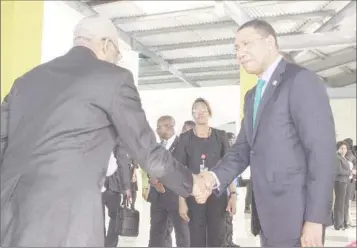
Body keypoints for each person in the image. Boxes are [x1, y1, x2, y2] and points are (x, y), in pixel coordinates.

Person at [0, 16, 207, 247]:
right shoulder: (114, 79)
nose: (115, 61)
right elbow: (147, 152)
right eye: (116, 55)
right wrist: (191, 182)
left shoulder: (25, 81)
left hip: (9, 214)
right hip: (65, 220)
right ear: (106, 44)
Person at [199, 19, 336, 247]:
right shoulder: (252, 95)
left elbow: (321, 153)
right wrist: (211, 178)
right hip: (267, 215)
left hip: (297, 217)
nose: (240, 53)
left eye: (246, 44)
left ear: (270, 42)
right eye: (236, 48)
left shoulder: (300, 80)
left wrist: (315, 219)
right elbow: (242, 150)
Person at [176, 98, 236, 247]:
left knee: (218, 236)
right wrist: (181, 201)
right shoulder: (185, 139)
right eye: (196, 110)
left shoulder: (220, 136)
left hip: (217, 194)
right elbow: (180, 171)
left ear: (209, 112)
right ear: (192, 114)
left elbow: (228, 167)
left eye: (203, 110)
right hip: (194, 196)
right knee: (196, 238)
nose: (200, 113)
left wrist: (233, 194)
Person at [148, 116, 190, 247]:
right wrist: (152, 179)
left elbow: (184, 170)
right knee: (157, 234)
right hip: (158, 197)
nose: (156, 130)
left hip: (176, 197)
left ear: (168, 126)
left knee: (182, 233)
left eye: (159, 127)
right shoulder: (156, 147)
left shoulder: (182, 145)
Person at [102, 146, 132, 247]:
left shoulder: (93, 137)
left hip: (96, 185)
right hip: (113, 186)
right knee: (115, 216)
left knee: (97, 218)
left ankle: (99, 242)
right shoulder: (118, 140)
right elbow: (123, 163)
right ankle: (110, 244)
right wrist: (127, 187)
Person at [224, 132, 240, 247]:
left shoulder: (234, 155)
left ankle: (229, 241)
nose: (232, 141)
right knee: (225, 219)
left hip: (232, 191)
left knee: (229, 218)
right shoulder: (225, 156)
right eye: (230, 140)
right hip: (226, 192)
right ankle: (225, 242)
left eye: (234, 139)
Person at [333, 141, 353, 230]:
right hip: (339, 182)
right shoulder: (337, 158)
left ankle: (343, 222)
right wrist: (350, 172)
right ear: (338, 148)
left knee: (344, 203)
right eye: (341, 148)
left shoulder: (344, 158)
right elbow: (339, 171)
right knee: (339, 203)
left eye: (345, 148)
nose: (343, 150)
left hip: (345, 182)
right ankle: (338, 224)